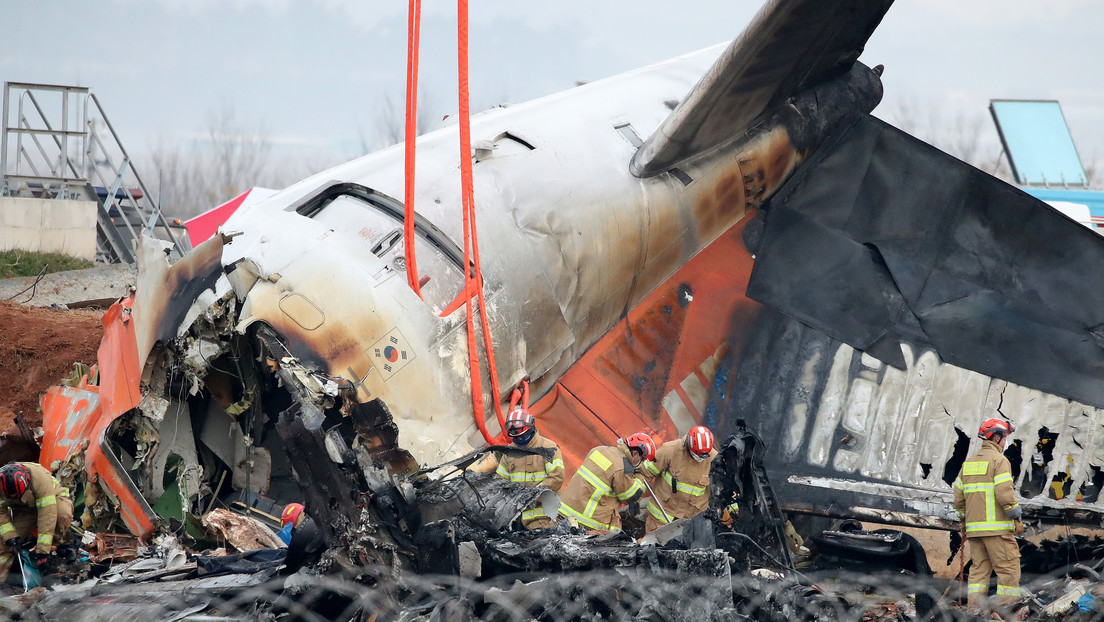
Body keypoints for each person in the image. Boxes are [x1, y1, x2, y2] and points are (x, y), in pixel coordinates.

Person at [954, 418, 1023, 611]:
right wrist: (1016, 515)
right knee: (1008, 569)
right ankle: (1007, 611)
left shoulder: (968, 463)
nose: (1006, 441)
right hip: (997, 530)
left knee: (978, 571)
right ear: (996, 437)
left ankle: (974, 611)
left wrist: (963, 520)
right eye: (1005, 437)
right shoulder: (999, 460)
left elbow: (958, 497)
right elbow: (1004, 492)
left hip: (975, 531)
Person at [559, 432, 656, 533]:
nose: (642, 463)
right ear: (635, 453)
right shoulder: (622, 467)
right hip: (584, 522)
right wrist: (639, 475)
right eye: (642, 459)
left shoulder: (599, 449)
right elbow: (631, 496)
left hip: (564, 510)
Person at [0, 462, 73, 577]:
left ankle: (55, 546)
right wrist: (10, 537)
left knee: (61, 515)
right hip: (24, 509)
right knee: (4, 543)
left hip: (53, 500)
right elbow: (1, 513)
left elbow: (47, 514)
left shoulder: (40, 478)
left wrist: (42, 550)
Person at [642, 425, 717, 533]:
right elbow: (646, 471)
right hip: (661, 517)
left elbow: (722, 489)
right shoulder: (670, 450)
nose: (701, 459)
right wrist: (635, 494)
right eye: (697, 455)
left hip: (691, 523)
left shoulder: (714, 460)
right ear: (689, 446)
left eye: (704, 456)